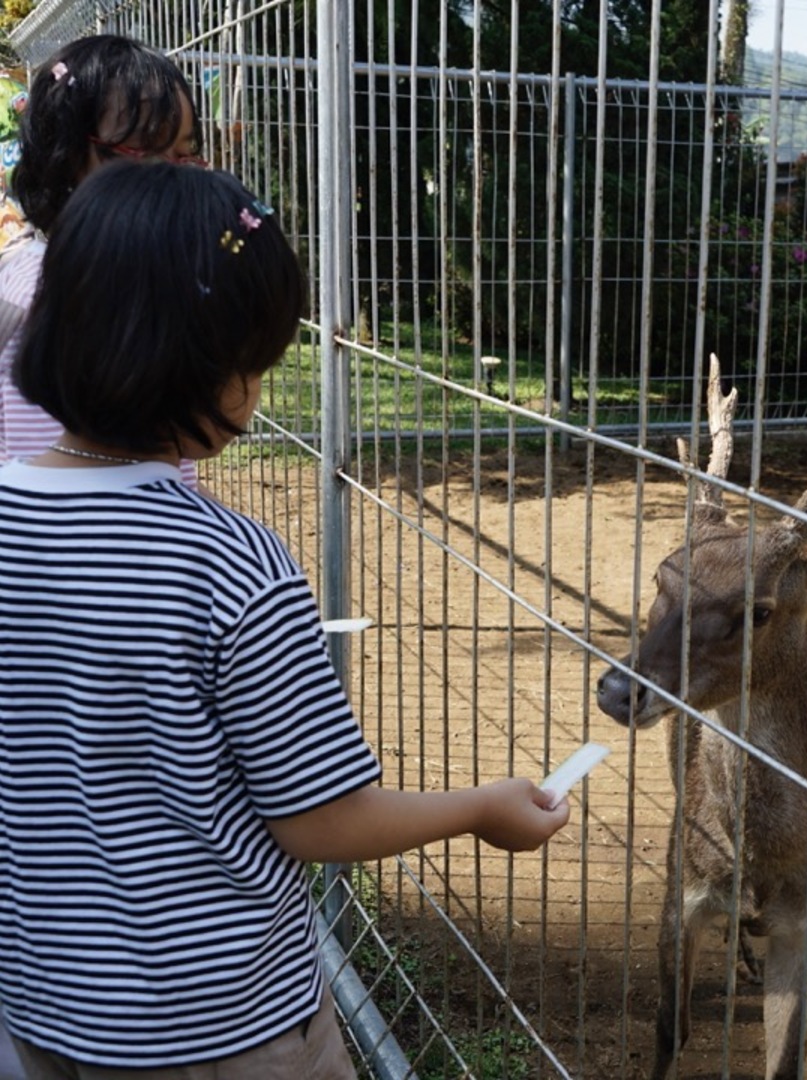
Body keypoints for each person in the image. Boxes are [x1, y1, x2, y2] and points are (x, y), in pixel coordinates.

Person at [0, 160, 571, 1079]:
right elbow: (320, 820)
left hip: (48, 1003)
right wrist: (478, 809)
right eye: (250, 364)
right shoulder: (230, 566)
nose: (257, 392)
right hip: (221, 1023)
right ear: (179, 362)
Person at [0, 34, 204, 483]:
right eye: (144, 153)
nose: (173, 179)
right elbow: (63, 496)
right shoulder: (53, 291)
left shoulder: (146, 276)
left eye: (185, 154)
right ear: (68, 155)